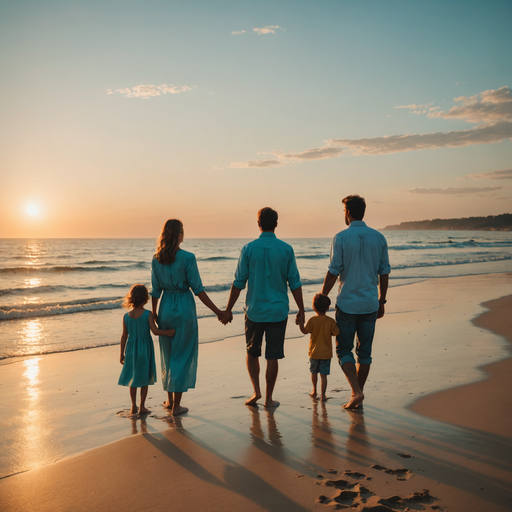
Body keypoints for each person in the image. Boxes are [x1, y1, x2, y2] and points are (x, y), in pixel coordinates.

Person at [224, 207, 305, 408]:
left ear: (258, 224)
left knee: (252, 353)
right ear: (276, 224)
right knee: (273, 355)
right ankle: (268, 398)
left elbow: (238, 282)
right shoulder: (286, 249)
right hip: (278, 311)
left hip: (254, 311)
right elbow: (294, 282)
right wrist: (301, 309)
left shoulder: (249, 249)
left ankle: (256, 391)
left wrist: (227, 309)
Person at [320, 195, 390, 409]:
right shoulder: (379, 238)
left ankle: (356, 392)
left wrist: (323, 295)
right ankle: (356, 395)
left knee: (343, 350)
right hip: (369, 303)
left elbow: (333, 271)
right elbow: (384, 273)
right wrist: (382, 300)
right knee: (365, 352)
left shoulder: (340, 237)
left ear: (348, 212)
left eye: (344, 211)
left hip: (347, 304)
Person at [151, 219, 226, 416]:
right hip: (184, 308)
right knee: (181, 356)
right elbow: (198, 290)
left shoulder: (156, 259)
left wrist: (155, 312)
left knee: (167, 355)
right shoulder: (188, 258)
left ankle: (169, 401)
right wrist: (218, 311)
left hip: (166, 307)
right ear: (179, 234)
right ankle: (176, 406)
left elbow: (155, 291)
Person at [118, 284, 175, 415]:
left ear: (131, 298)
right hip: (144, 350)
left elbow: (123, 336)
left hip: (131, 350)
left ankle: (133, 407)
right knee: (143, 378)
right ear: (145, 299)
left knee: (133, 379)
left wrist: (121, 353)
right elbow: (155, 331)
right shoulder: (148, 314)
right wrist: (167, 332)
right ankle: (142, 406)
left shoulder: (126, 316)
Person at [299, 293, 340, 402]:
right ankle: (323, 395)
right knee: (323, 376)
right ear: (328, 308)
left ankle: (314, 390)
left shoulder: (312, 320)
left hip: (314, 353)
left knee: (313, 372)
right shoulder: (330, 321)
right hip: (326, 353)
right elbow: (336, 332)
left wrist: (300, 324)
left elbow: (304, 331)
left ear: (313, 307)